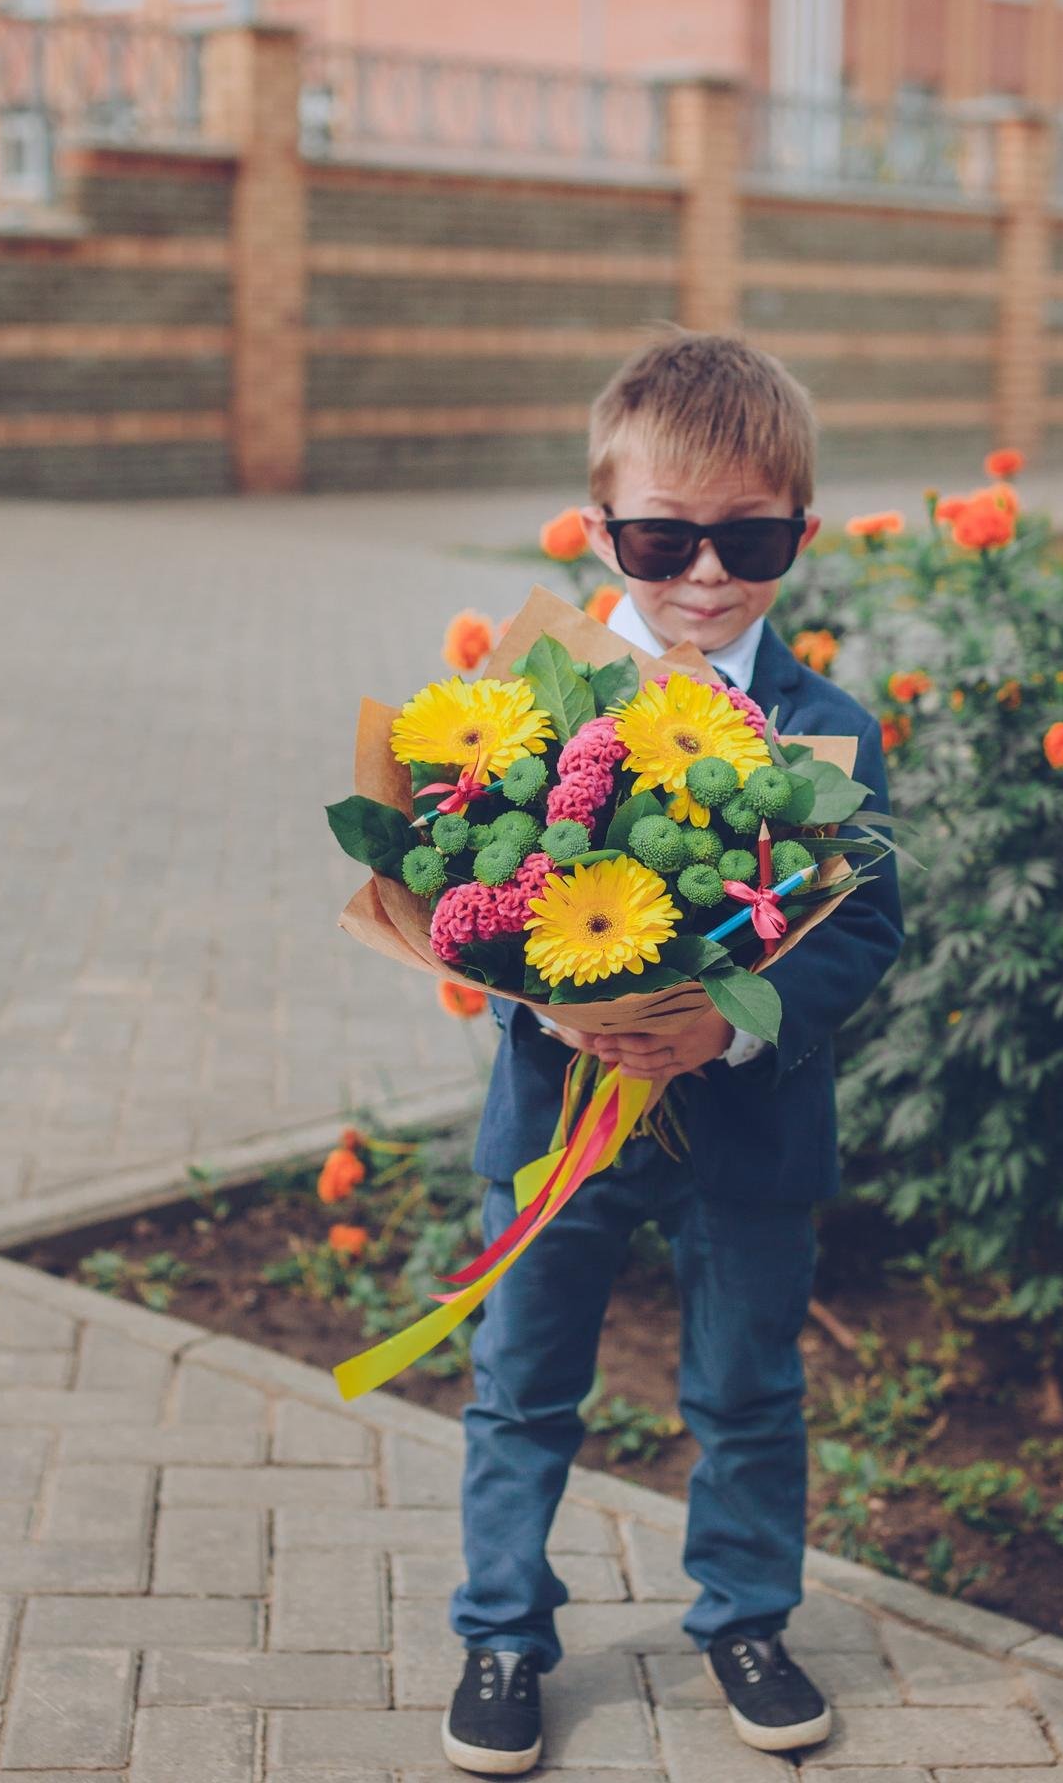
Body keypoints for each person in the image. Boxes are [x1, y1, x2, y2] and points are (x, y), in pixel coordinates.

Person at [440, 330, 905, 1774]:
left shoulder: (829, 730)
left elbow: (862, 926)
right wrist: (536, 999)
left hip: (749, 1129)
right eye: (661, 536)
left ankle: (750, 1619)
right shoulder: (536, 706)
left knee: (749, 1387)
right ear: (600, 529)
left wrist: (726, 1020)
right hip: (560, 1118)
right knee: (523, 1381)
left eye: (750, 536)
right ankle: (502, 1635)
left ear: (801, 533)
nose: (706, 574)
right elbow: (465, 889)